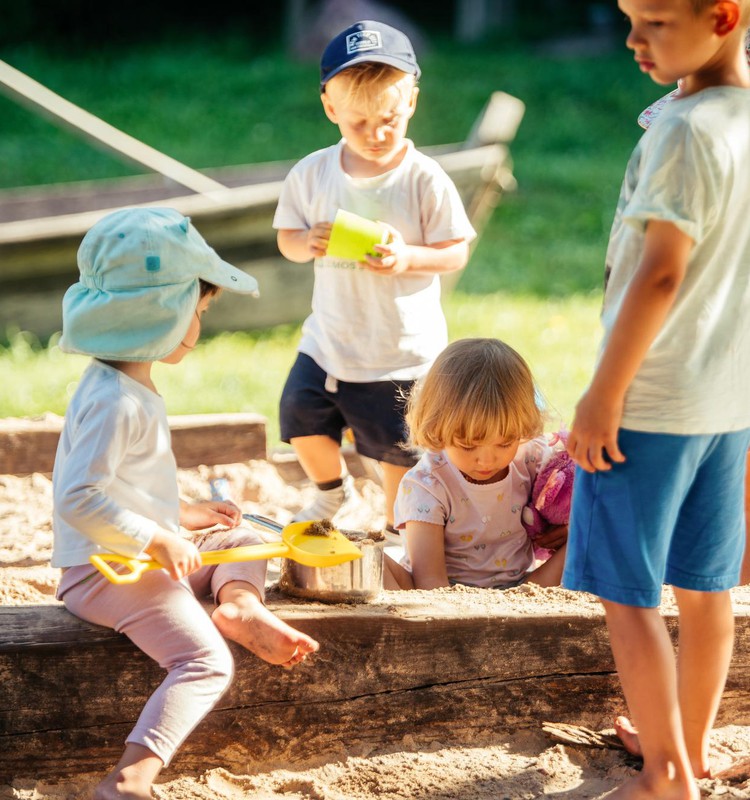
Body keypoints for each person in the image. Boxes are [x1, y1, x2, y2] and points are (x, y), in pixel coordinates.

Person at [52, 207, 320, 800]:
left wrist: (182, 518)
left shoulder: (127, 385)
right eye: (194, 311)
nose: (199, 326)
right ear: (160, 312)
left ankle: (239, 606)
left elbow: (122, 486)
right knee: (206, 664)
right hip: (105, 574)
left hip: (134, 556)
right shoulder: (114, 401)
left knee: (244, 534)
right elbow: (77, 496)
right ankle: (129, 779)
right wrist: (155, 537)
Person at [563, 2, 750, 798]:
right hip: (726, 397)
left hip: (652, 402)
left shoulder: (684, 132)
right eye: (629, 18)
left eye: (655, 23)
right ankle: (691, 746)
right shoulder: (735, 115)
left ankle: (666, 776)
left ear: (723, 16)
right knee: (707, 589)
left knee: (627, 591)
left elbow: (662, 272)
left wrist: (603, 395)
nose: (634, 40)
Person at [273, 20, 476, 537]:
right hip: (328, 341)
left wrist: (406, 257)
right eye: (358, 122)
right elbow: (287, 240)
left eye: (388, 118)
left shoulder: (423, 177)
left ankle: (395, 526)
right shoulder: (313, 173)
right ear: (330, 109)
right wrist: (307, 242)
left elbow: (455, 252)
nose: (376, 134)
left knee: (395, 450)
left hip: (398, 353)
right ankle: (330, 492)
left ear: (411, 102)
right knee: (300, 416)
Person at [382, 338, 568, 591]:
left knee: (598, 531)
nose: (487, 460)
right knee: (368, 558)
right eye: (468, 446)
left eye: (505, 443)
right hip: (443, 594)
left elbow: (579, 489)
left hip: (526, 589)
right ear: (437, 428)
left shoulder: (530, 457)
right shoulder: (427, 484)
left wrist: (571, 527)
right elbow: (429, 583)